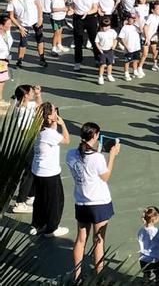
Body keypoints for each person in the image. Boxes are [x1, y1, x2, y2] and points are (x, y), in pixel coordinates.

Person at [66, 122, 120, 283]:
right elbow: (105, 177)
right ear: (95, 136)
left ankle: (76, 276)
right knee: (99, 240)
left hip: (81, 202)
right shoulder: (97, 158)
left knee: (80, 239)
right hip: (99, 203)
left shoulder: (70, 154)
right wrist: (112, 156)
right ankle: (99, 275)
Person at [30, 101, 70, 238]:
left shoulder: (39, 129)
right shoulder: (49, 134)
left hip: (38, 170)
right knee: (56, 200)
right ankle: (52, 228)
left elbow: (52, 132)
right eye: (54, 111)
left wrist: (53, 123)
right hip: (49, 172)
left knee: (40, 199)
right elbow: (66, 140)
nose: (56, 112)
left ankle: (37, 224)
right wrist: (62, 124)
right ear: (49, 116)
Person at [138, 205, 159, 286]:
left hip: (143, 258)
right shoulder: (157, 231)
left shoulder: (141, 230)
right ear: (155, 219)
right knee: (158, 275)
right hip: (155, 258)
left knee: (146, 275)